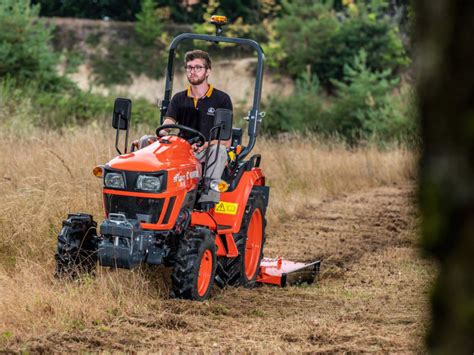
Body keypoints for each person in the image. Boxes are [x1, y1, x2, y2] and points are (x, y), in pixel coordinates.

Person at [161, 50, 233, 210]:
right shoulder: (179, 98)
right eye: (189, 67)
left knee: (219, 149)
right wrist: (163, 132)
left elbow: (226, 141)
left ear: (208, 71)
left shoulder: (221, 99)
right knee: (146, 141)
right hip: (182, 148)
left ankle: (208, 199)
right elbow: (169, 121)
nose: (193, 71)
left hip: (207, 149)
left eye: (198, 67)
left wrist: (204, 145)